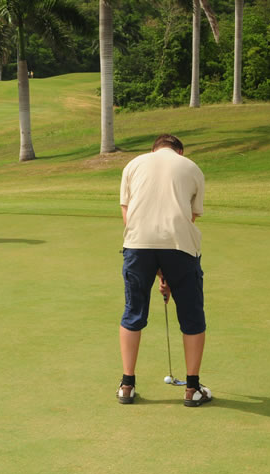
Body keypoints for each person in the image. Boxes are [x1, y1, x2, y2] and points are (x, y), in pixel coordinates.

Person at [116, 134, 212, 407]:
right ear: (179, 150)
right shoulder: (192, 167)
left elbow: (128, 212)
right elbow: (188, 217)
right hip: (180, 246)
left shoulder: (133, 164)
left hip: (136, 244)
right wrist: (166, 271)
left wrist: (158, 270)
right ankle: (192, 389)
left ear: (154, 149)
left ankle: (127, 385)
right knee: (192, 315)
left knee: (133, 313)